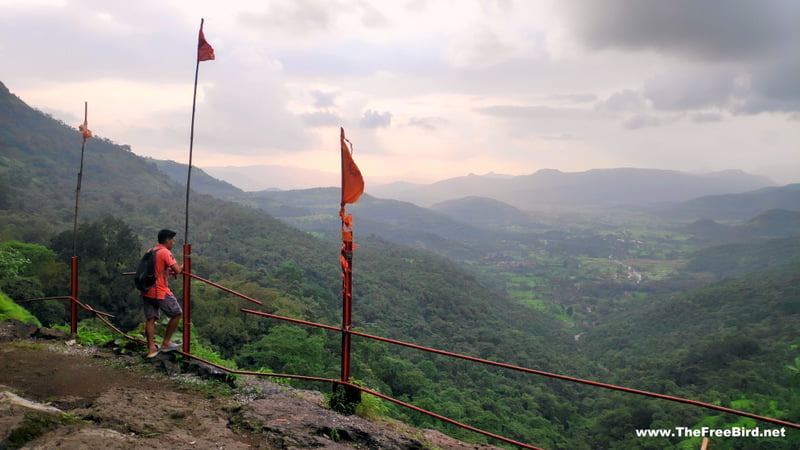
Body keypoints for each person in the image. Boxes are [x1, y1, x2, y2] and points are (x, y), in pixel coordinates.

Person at [141, 229, 183, 358]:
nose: (173, 242)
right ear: (167, 240)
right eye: (172, 240)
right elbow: (178, 270)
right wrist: (183, 266)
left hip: (146, 289)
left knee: (151, 319)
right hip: (159, 291)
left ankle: (151, 348)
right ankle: (166, 342)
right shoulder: (165, 252)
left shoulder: (151, 251)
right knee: (177, 313)